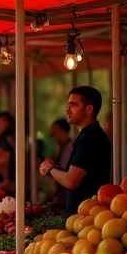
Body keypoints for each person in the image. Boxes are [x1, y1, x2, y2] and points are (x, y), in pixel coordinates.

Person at [39, 85, 112, 215]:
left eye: (73, 105)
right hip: (87, 216)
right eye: (68, 105)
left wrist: (50, 169)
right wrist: (53, 168)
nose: (67, 110)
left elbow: (71, 180)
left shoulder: (90, 138)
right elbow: (74, 174)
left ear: (89, 109)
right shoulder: (89, 135)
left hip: (86, 218)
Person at [48, 118, 75, 205]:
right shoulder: (60, 147)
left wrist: (50, 169)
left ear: (60, 129)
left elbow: (66, 171)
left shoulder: (70, 148)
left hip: (67, 195)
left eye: (54, 131)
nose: (52, 135)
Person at [0, 111, 17, 193]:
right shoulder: (11, 137)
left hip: (10, 180)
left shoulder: (5, 138)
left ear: (7, 123)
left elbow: (4, 160)